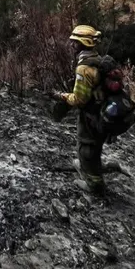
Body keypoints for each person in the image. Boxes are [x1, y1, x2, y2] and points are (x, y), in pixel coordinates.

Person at [53, 25, 108, 194]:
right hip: (100, 111)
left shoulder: (83, 68)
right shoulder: (97, 59)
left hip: (92, 115)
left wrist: (61, 96)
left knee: (87, 148)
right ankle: (89, 168)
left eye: (74, 43)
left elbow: (79, 99)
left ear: (82, 43)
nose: (72, 46)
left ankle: (94, 185)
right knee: (94, 146)